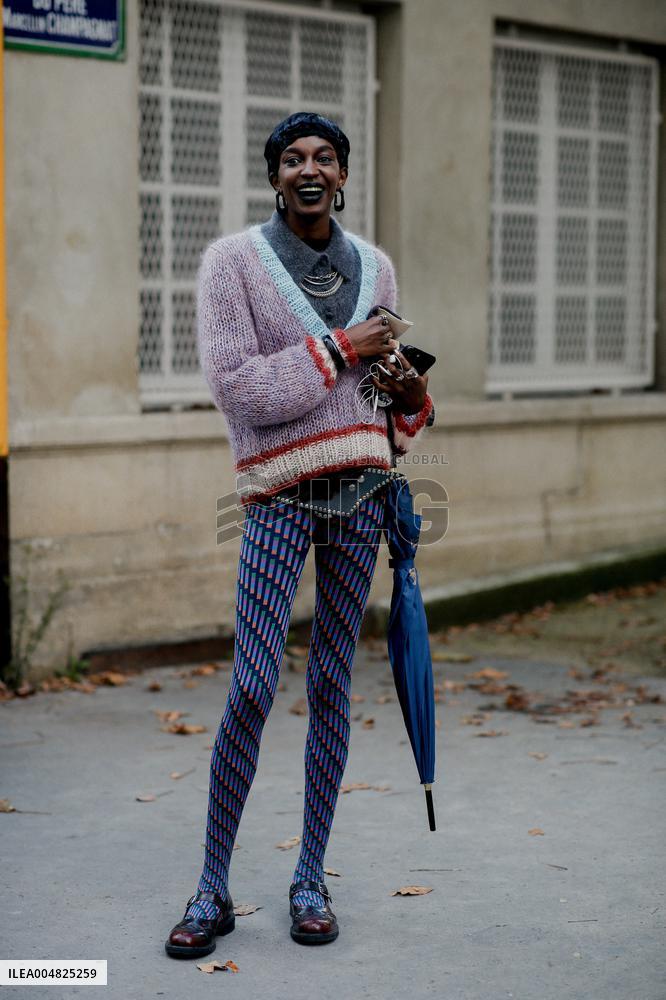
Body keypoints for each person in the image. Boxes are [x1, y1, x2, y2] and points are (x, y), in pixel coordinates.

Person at [165, 112, 434, 959]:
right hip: (279, 499)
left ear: (343, 175)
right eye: (293, 159)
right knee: (251, 684)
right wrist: (342, 346)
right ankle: (211, 885)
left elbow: (392, 414)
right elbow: (239, 389)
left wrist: (400, 384)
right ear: (275, 176)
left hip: (363, 493)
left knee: (330, 687)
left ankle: (309, 877)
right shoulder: (232, 264)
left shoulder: (377, 266)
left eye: (324, 157)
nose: (309, 169)